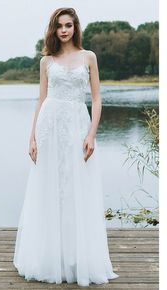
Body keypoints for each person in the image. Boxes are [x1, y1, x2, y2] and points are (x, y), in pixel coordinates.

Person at [13, 7, 119, 287]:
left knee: (76, 189)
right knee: (50, 189)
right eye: (59, 25)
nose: (64, 30)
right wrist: (32, 137)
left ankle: (76, 258)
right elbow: (41, 99)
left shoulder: (89, 57)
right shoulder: (46, 61)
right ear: (53, 29)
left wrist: (92, 134)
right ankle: (49, 257)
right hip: (50, 128)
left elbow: (96, 99)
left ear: (75, 28)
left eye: (68, 25)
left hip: (77, 127)